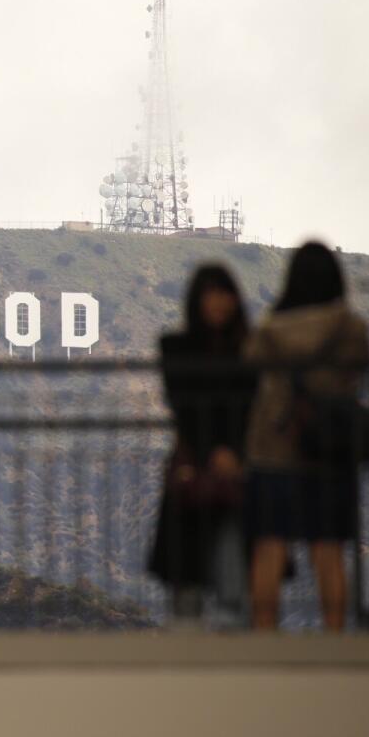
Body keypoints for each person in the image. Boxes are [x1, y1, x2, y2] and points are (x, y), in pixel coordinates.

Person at [244, 242, 369, 631]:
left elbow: (250, 364)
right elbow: (357, 372)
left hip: (274, 448)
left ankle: (266, 638)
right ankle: (334, 638)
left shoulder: (270, 328)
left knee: (270, 547)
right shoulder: (349, 327)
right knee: (327, 550)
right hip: (327, 448)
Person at [148, 265, 257, 626]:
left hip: (228, 474)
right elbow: (184, 407)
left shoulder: (250, 351)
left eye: (224, 293)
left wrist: (236, 454)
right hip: (196, 473)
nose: (218, 302)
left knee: (233, 580)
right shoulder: (176, 347)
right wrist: (219, 452)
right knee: (189, 586)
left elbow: (256, 409)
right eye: (211, 293)